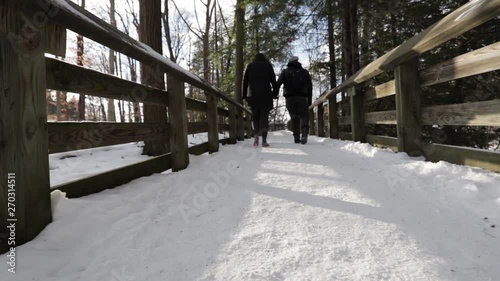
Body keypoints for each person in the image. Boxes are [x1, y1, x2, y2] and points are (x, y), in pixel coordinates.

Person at [242, 53, 278, 147]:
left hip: (254, 95)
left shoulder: (250, 66)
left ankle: (256, 137)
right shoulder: (268, 66)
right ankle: (264, 140)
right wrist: (275, 93)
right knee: (264, 118)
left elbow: (245, 82)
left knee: (256, 117)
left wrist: (244, 95)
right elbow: (273, 81)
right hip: (266, 95)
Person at [276, 56, 313, 144]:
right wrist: (309, 99)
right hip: (302, 97)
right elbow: (310, 87)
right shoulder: (304, 72)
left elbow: (278, 83)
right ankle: (304, 133)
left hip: (290, 98)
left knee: (294, 117)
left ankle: (296, 137)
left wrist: (274, 94)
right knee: (304, 115)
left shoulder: (285, 72)